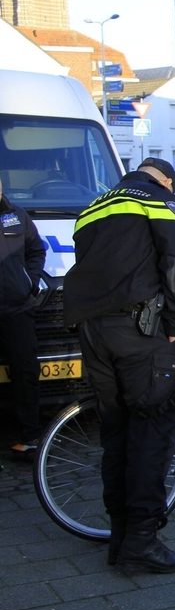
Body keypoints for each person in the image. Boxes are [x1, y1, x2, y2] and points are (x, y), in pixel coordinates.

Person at [63, 157, 175, 574]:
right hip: (140, 334)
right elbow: (174, 262)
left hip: (93, 332)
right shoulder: (157, 201)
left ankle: (119, 539)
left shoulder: (93, 206)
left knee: (115, 433)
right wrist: (173, 325)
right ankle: (141, 542)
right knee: (151, 432)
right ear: (167, 181)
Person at [0, 177, 46, 457]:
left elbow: (36, 250)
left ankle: (31, 438)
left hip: (16, 308)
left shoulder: (16, 217)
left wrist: (30, 280)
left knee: (26, 373)